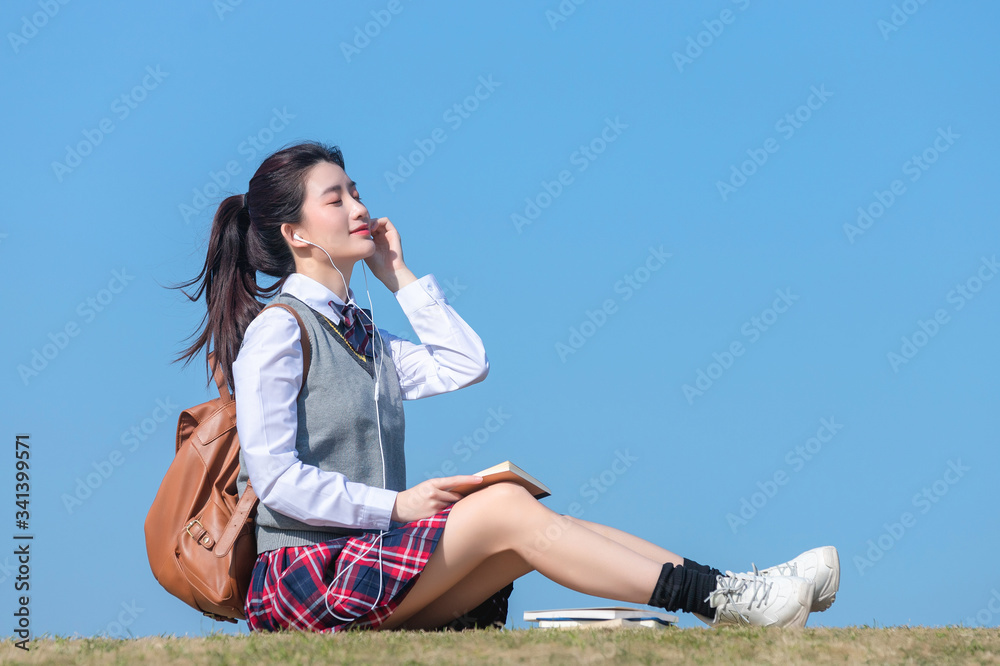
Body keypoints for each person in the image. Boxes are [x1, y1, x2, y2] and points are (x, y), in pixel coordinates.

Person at [171, 141, 840, 633]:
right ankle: (733, 601)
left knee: (514, 506)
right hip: (303, 578)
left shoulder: (362, 334)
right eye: (337, 197)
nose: (360, 207)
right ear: (295, 233)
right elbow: (278, 480)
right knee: (503, 512)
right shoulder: (279, 333)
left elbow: (464, 363)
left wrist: (400, 275)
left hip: (363, 563)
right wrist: (399, 508)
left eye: (356, 190)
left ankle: (734, 592)